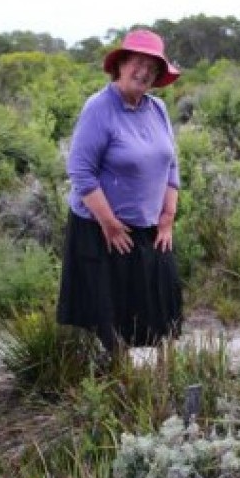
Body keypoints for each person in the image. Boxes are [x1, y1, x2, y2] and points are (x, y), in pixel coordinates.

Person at [57, 28, 184, 353]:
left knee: (159, 306)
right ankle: (113, 381)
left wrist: (168, 217)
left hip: (151, 227)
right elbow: (81, 172)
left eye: (153, 67)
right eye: (138, 62)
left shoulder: (157, 109)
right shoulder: (99, 108)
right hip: (101, 229)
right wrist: (110, 224)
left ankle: (152, 381)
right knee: (110, 319)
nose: (144, 71)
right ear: (121, 63)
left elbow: (171, 165)